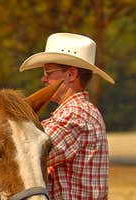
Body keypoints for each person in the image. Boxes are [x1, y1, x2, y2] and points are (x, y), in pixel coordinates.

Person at [19, 33, 115, 199]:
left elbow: (26, 152)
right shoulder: (82, 112)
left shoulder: (75, 114)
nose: (43, 79)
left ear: (71, 74)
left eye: (48, 73)